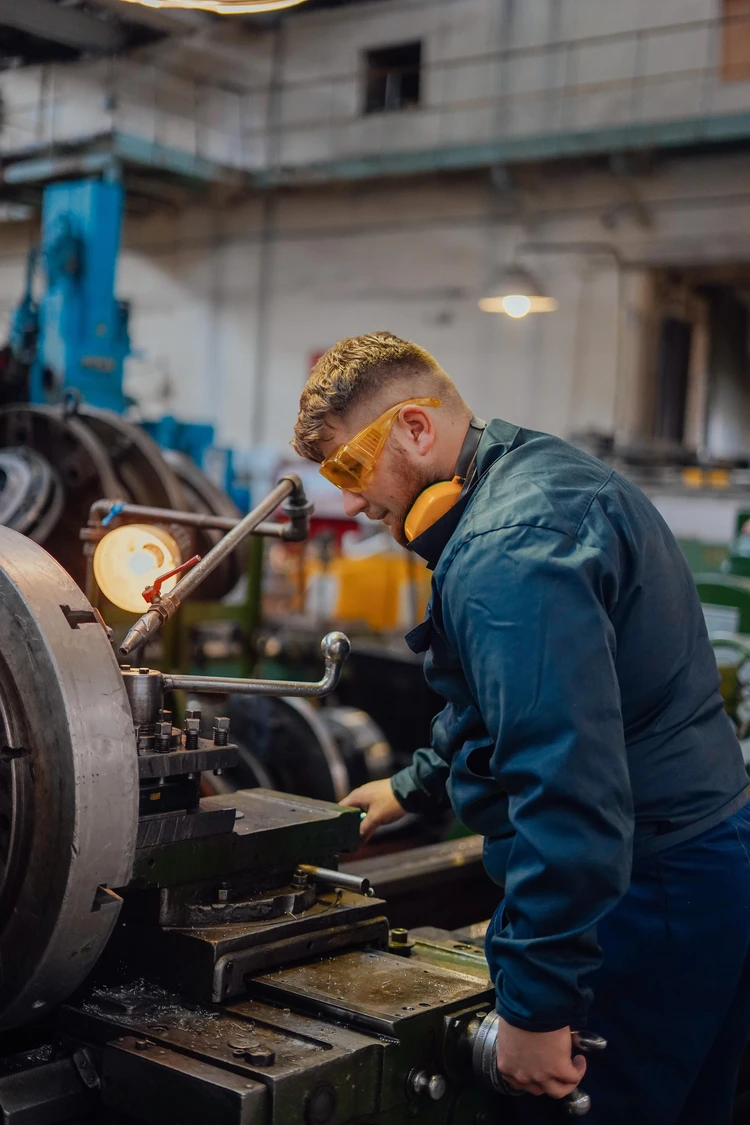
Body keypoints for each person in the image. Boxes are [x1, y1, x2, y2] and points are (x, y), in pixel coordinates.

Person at [292, 331, 750, 1125]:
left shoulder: (507, 551)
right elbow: (501, 703)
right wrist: (412, 785)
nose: (354, 502)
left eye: (349, 468)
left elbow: (567, 787)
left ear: (414, 428)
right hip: (700, 861)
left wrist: (538, 1007)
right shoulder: (529, 477)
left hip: (645, 895)